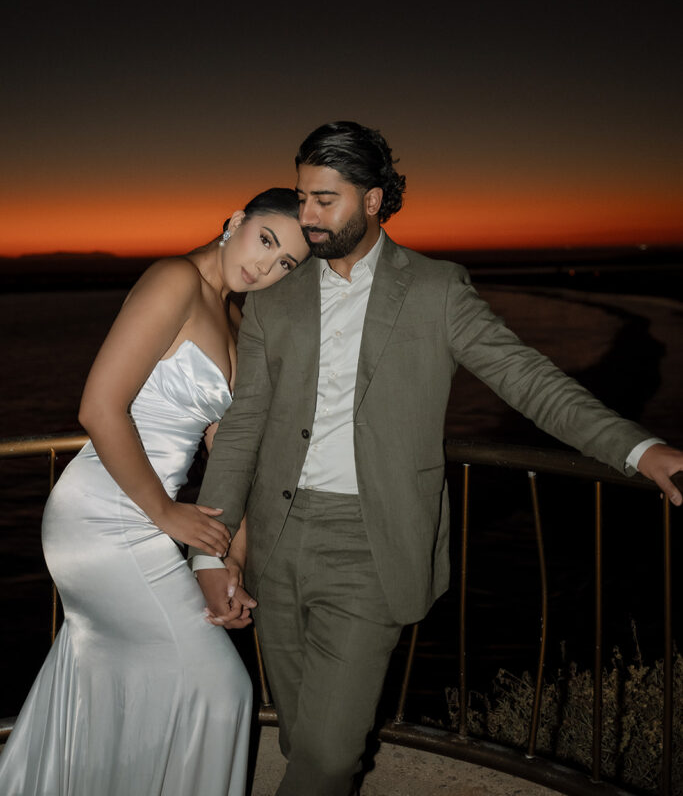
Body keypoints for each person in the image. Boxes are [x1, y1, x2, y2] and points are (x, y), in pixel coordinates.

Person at [194, 122, 683, 796]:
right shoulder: (274, 294)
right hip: (275, 541)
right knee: (301, 735)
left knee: (332, 753)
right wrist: (212, 552)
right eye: (302, 198)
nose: (305, 217)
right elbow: (243, 424)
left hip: (372, 542)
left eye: (323, 200)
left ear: (371, 201)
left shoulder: (434, 289)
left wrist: (638, 448)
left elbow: (527, 379)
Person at [0, 188, 310, 796]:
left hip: (148, 519)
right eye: (266, 241)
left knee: (116, 671)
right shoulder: (173, 279)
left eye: (285, 265)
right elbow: (98, 407)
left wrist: (229, 565)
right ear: (237, 220)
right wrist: (167, 512)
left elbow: (231, 461)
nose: (265, 267)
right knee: (224, 686)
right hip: (102, 513)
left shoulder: (238, 321)